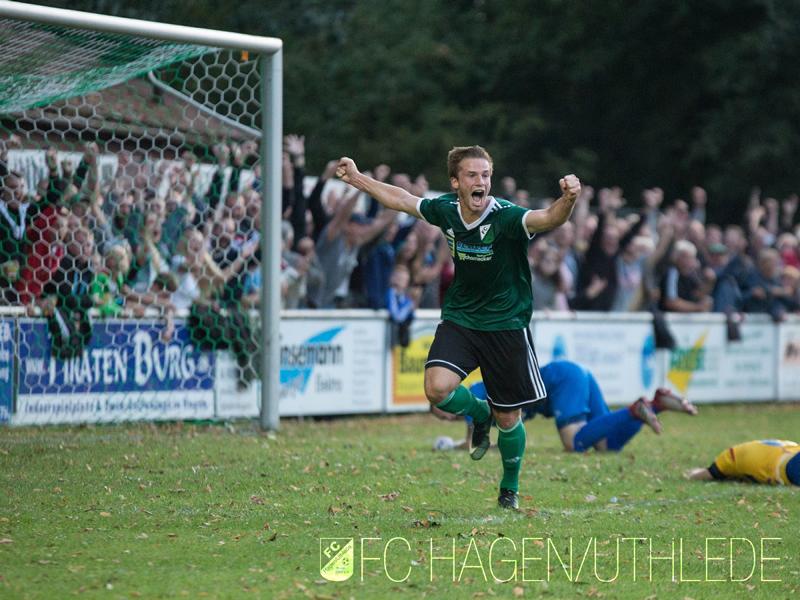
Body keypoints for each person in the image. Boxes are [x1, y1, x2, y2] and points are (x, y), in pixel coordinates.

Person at [336, 145, 581, 510]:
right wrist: (356, 178)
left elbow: (548, 219)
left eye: (485, 175)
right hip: (462, 319)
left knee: (509, 417)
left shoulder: (506, 217)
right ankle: (479, 413)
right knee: (436, 389)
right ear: (456, 182)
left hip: (506, 326)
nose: (480, 181)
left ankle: (508, 489)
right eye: (472, 175)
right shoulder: (446, 211)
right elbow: (401, 199)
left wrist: (569, 198)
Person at [434, 360, 697, 454]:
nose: (447, 417)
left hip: (562, 380)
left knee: (574, 444)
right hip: (574, 372)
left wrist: (449, 446)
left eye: (443, 410)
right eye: (443, 418)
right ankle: (656, 404)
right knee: (608, 446)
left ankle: (634, 409)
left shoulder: (471, 398)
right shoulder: (478, 392)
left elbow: (475, 445)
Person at [686, 440, 800, 486]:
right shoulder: (730, 459)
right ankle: (692, 475)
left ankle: (693, 474)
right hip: (774, 458)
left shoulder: (729, 459)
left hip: (778, 457)